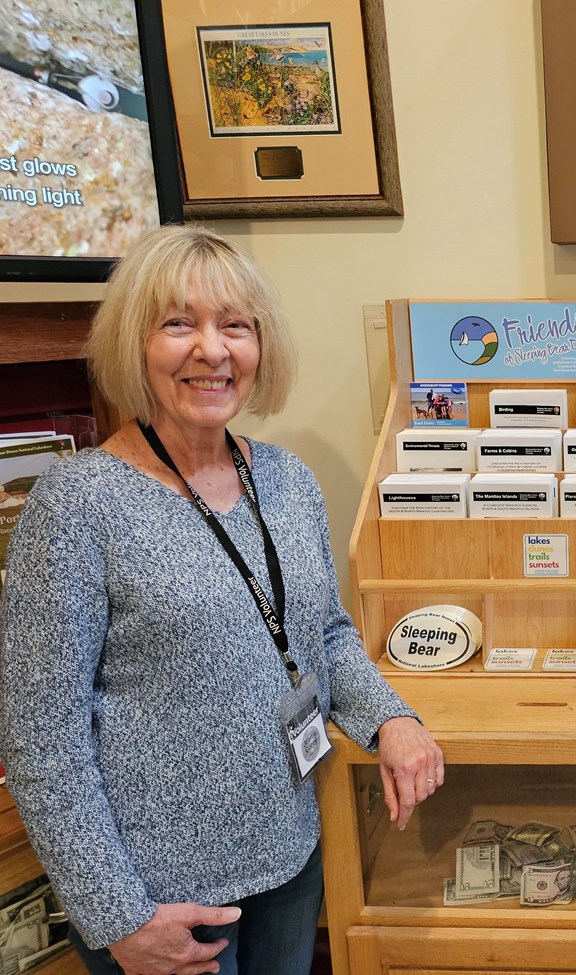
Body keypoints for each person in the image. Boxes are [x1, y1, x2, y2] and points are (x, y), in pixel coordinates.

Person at [0, 225, 445, 975]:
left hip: (289, 858)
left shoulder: (287, 479)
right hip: (161, 900)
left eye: (234, 325)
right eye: (179, 323)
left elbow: (324, 634)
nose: (212, 349)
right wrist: (118, 915)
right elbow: (42, 740)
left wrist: (392, 717)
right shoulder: (76, 504)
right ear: (134, 344)